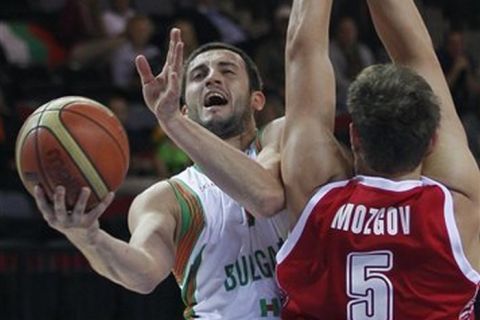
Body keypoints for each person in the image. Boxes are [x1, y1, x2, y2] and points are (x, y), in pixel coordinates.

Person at [33, 28, 289, 319]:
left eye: (227, 71)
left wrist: (173, 123)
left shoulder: (282, 138)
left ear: (257, 100)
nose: (212, 78)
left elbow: (265, 195)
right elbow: (143, 275)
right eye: (197, 75)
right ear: (185, 110)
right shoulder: (166, 198)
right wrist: (88, 238)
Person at [276, 0, 480, 318]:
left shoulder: (318, 196)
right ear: (432, 142)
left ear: (354, 136)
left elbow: (304, 51)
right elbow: (417, 55)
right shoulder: (457, 207)